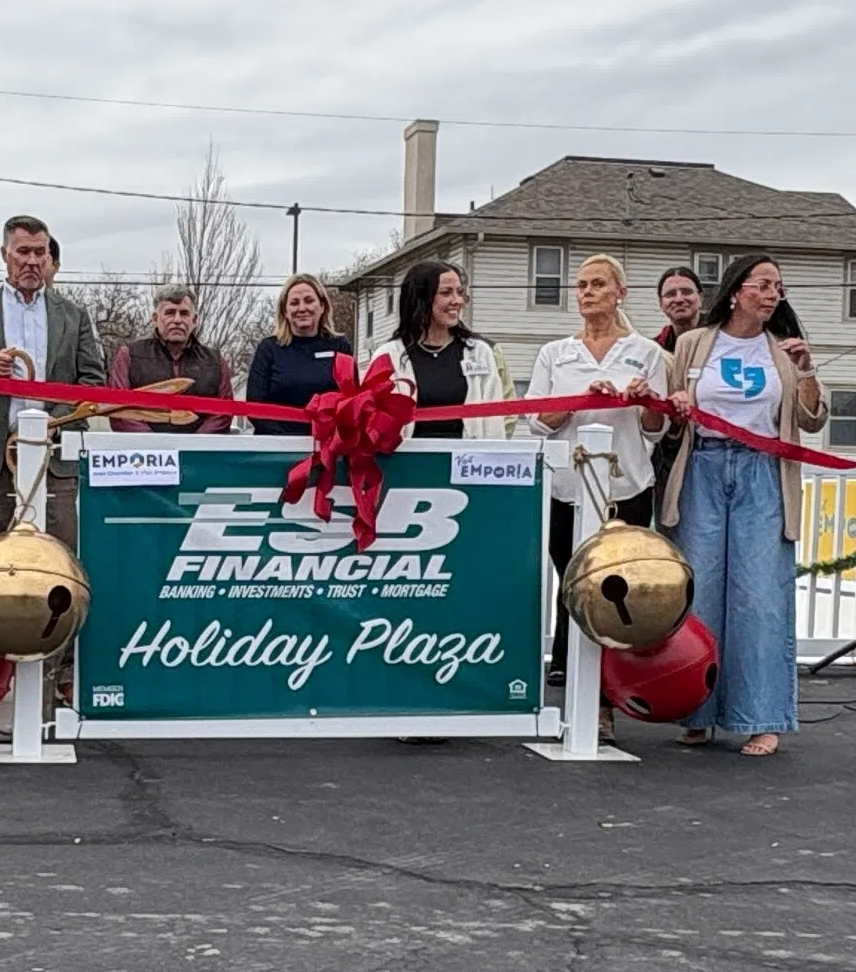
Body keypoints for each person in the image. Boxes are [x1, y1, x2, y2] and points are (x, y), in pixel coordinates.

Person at [659, 254, 823, 755]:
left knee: (759, 596)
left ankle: (763, 715)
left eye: (779, 287)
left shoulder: (782, 351)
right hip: (703, 466)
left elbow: (812, 421)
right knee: (700, 591)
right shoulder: (692, 343)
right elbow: (671, 416)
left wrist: (807, 371)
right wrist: (677, 409)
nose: (773, 294)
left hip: (761, 472)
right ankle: (696, 709)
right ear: (735, 292)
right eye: (763, 285)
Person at [527, 254, 671, 713]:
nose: (587, 292)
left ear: (619, 293)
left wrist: (647, 400)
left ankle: (606, 698)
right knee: (573, 582)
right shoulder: (555, 353)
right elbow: (536, 422)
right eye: (582, 285)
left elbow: (655, 428)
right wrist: (577, 402)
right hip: (567, 488)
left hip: (624, 487)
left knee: (616, 590)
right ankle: (571, 681)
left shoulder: (646, 353)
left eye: (597, 284)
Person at [0, 214, 106, 534]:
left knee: (58, 558)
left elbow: (93, 382)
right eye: (23, 252)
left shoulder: (73, 316)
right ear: (4, 255)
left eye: (40, 253)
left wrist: (55, 421)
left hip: (55, 460)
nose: (32, 261)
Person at [371, 260, 511, 439]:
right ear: (421, 298)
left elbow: (494, 422)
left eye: (459, 292)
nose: (457, 300)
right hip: (407, 462)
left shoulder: (480, 352)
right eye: (446, 293)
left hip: (466, 463)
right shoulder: (388, 356)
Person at [108, 285, 234, 433]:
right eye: (170, 313)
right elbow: (118, 410)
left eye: (184, 313)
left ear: (194, 320)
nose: (177, 320)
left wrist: (195, 444)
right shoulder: (129, 355)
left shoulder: (215, 361)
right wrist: (157, 446)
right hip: (144, 453)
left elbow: (224, 412)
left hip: (200, 452)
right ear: (155, 319)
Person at [244, 274, 350, 437]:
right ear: (285, 311)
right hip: (277, 449)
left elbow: (351, 401)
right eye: (294, 303)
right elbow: (254, 407)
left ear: (322, 306)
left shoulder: (340, 346)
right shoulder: (269, 348)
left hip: (328, 447)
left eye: (309, 300)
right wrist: (287, 442)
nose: (302, 308)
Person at [647, 265, 709, 490]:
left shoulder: (721, 342)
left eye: (687, 292)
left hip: (710, 448)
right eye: (670, 294)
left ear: (700, 298)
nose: (679, 299)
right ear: (661, 303)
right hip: (667, 456)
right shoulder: (653, 351)